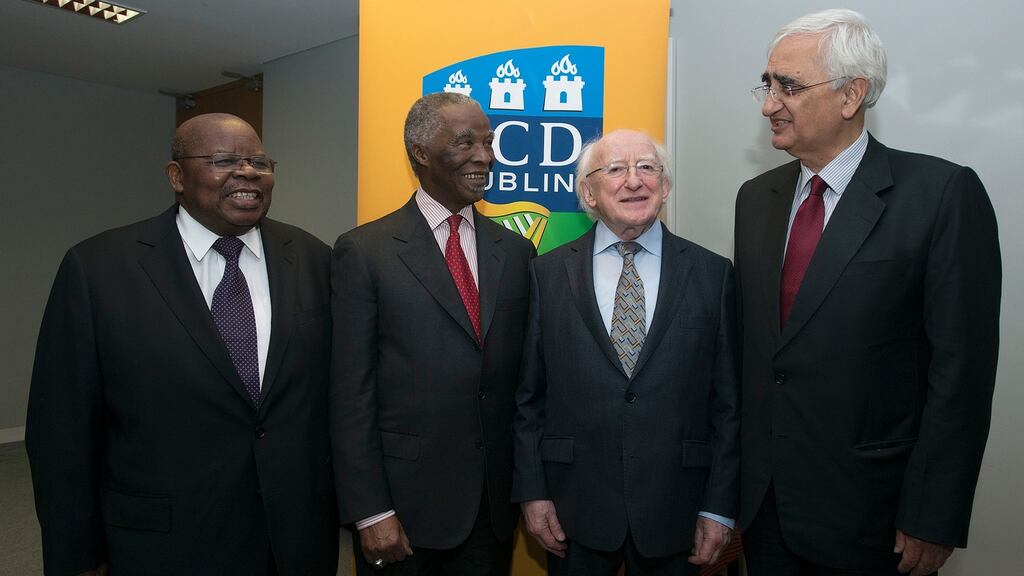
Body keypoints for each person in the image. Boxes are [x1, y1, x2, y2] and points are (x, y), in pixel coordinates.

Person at [736, 9, 1001, 576]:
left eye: (788, 86)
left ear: (851, 94)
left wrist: (934, 514)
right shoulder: (755, 199)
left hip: (873, 518)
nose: (767, 105)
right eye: (767, 84)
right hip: (765, 514)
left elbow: (962, 373)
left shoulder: (941, 195)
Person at [25, 113, 339, 576]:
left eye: (259, 161)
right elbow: (61, 432)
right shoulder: (98, 269)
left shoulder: (314, 258)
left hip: (293, 538)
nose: (248, 171)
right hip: (164, 542)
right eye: (225, 160)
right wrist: (77, 554)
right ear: (176, 176)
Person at [512, 129, 740, 575]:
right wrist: (532, 491)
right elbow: (528, 398)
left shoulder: (715, 275)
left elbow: (728, 405)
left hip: (678, 509)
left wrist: (718, 507)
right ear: (589, 193)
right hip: (572, 507)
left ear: (666, 186)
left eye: (648, 168)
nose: (634, 181)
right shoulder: (546, 274)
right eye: (615, 169)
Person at [330, 92, 535, 575]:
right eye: (465, 142)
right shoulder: (365, 251)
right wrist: (371, 510)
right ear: (420, 152)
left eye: (488, 142)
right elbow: (349, 394)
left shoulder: (516, 251)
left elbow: (524, 385)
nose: (484, 156)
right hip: (402, 510)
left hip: (492, 510)